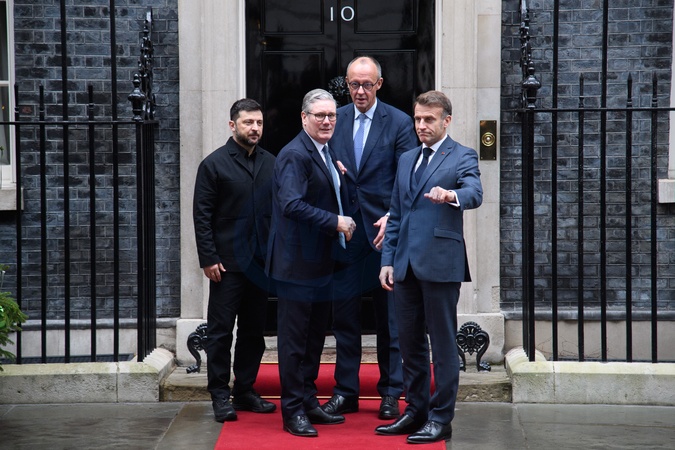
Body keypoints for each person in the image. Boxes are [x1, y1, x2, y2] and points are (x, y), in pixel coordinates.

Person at [375, 90, 483, 444]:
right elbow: (396, 214)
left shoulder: (462, 155)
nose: (421, 125)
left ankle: (441, 418)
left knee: (443, 344)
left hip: (440, 264)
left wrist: (451, 195)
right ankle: (416, 411)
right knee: (410, 345)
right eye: (418, 119)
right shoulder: (407, 158)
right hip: (405, 265)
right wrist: (388, 261)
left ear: (446, 121)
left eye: (429, 119)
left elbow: (475, 192)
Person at [322, 56, 417, 420]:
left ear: (379, 84)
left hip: (384, 234)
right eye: (353, 84)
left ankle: (391, 391)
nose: (359, 91)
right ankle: (345, 391)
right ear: (346, 84)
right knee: (344, 317)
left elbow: (408, 177)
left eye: (366, 84)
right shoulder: (335, 119)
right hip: (346, 234)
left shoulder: (399, 122)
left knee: (389, 318)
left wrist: (393, 217)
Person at [266, 89, 357, 437]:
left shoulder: (324, 151)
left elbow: (322, 194)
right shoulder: (295, 154)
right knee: (294, 342)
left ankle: (307, 401)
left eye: (332, 115)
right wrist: (336, 222)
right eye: (320, 115)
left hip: (320, 263)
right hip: (296, 266)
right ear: (304, 118)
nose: (327, 121)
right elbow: (291, 204)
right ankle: (292, 411)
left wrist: (340, 177)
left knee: (314, 338)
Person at [193, 98, 277, 423]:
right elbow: (202, 215)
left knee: (253, 333)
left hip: (260, 265)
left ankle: (245, 391)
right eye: (248, 123)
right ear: (233, 125)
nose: (255, 128)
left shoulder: (272, 163)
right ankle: (219, 395)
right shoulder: (213, 164)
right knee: (220, 332)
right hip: (225, 265)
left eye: (259, 123)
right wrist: (208, 257)